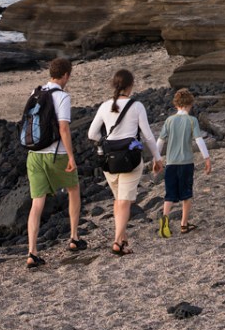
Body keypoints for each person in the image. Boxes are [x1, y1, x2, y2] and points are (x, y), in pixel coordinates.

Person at [88, 68, 161, 255]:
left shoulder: (105, 106)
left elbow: (92, 134)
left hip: (109, 160)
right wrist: (157, 156)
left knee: (118, 200)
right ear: (130, 85)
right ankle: (117, 242)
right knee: (124, 202)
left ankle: (122, 239)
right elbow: (148, 136)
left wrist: (103, 143)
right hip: (130, 159)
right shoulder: (137, 106)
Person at [25, 57, 85, 269]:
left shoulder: (36, 92)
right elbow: (64, 129)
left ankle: (32, 252)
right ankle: (74, 237)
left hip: (34, 155)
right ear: (66, 75)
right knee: (73, 189)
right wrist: (71, 156)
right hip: (55, 154)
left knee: (37, 203)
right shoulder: (62, 96)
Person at [156, 88, 211, 237]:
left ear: (176, 105)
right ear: (190, 105)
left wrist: (157, 159)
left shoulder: (169, 120)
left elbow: (160, 141)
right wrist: (207, 158)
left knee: (170, 195)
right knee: (186, 195)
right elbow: (199, 140)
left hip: (171, 163)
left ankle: (165, 221)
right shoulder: (191, 120)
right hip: (186, 163)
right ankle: (184, 225)